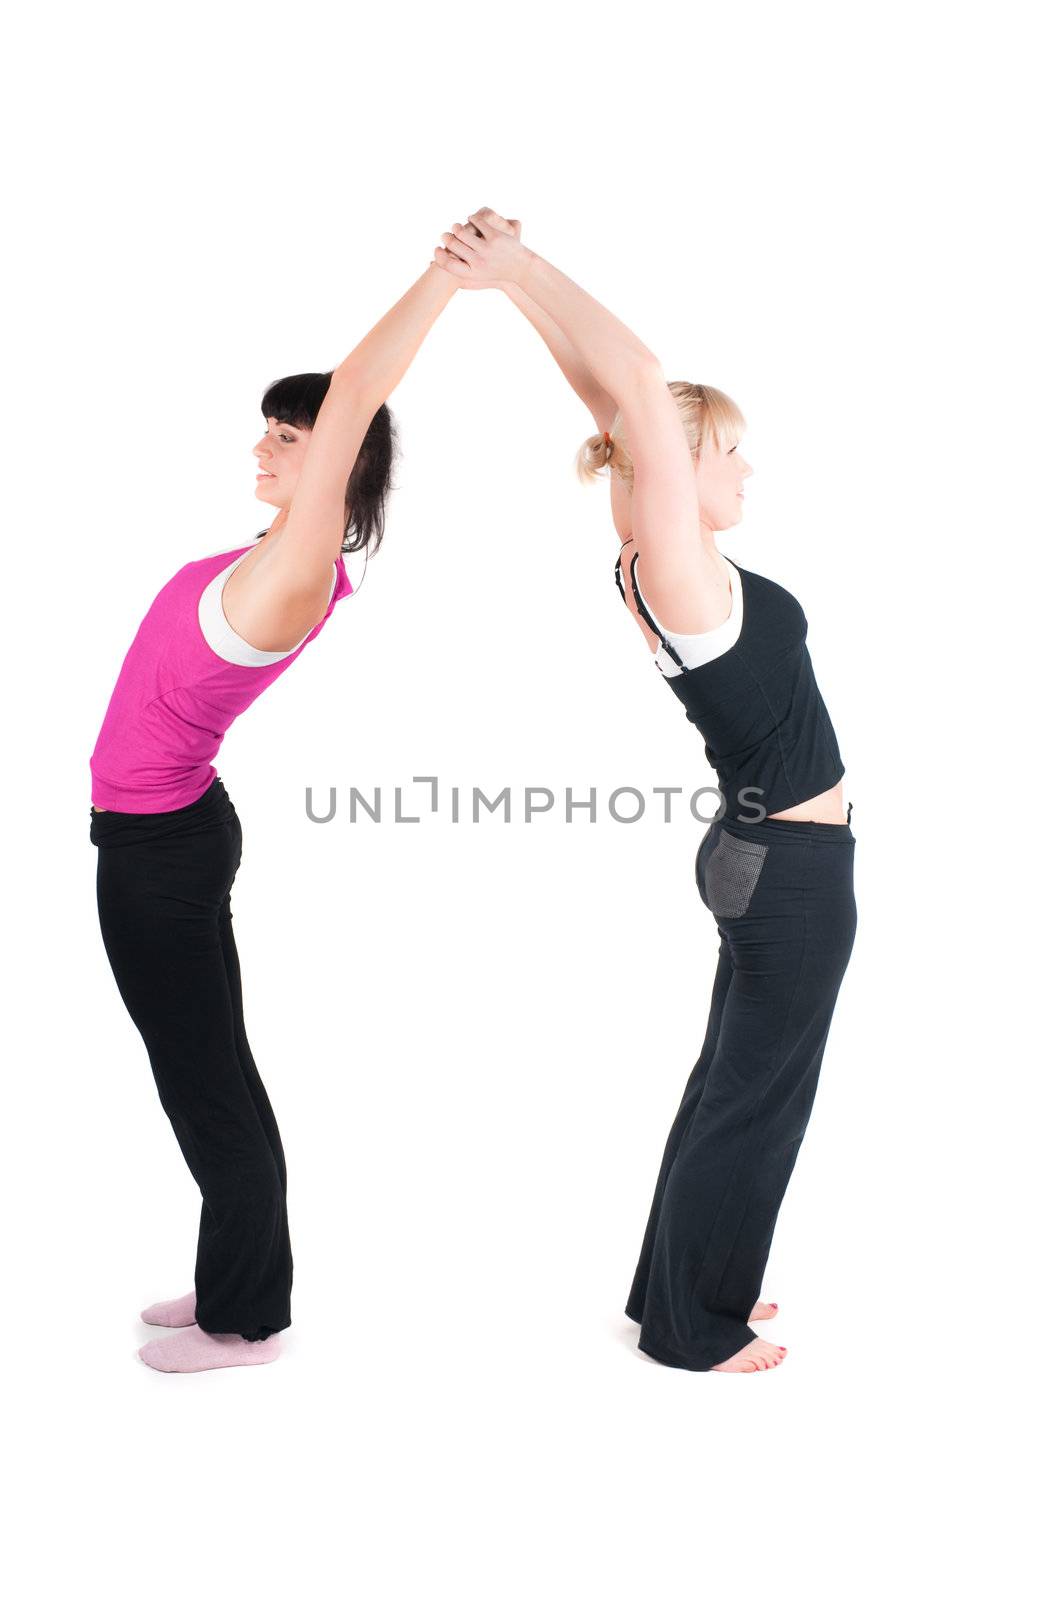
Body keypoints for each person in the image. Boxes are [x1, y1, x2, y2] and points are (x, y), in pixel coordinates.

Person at [434, 209, 857, 1374]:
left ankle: (683, 1285)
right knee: (754, 1095)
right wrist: (518, 267)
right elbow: (638, 382)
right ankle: (690, 1326)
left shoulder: (656, 555)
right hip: (793, 874)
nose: (746, 469)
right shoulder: (679, 566)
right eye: (728, 453)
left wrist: (514, 295)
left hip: (759, 857)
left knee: (734, 1081)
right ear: (682, 470)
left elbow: (620, 404)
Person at [89, 259, 462, 1373]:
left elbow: (355, 393)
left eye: (288, 437)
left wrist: (445, 279)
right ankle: (236, 1268)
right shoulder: (271, 558)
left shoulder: (297, 566)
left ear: (340, 457)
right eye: (267, 432)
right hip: (179, 830)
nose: (262, 448)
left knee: (200, 1077)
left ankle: (247, 1320)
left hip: (159, 851)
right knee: (212, 1068)